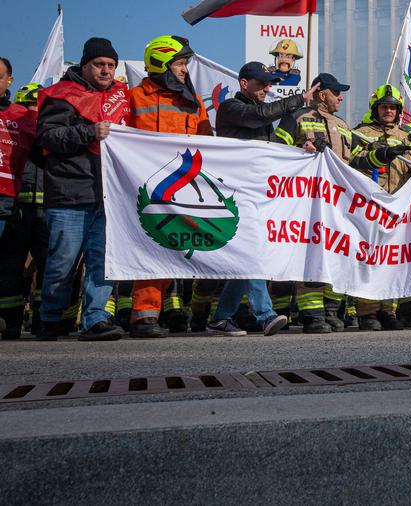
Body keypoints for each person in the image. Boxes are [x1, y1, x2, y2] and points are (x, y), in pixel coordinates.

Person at [203, 62, 318, 336]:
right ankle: (265, 315)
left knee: (248, 257)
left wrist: (299, 151)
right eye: (262, 83)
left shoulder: (258, 114)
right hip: (235, 193)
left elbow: (268, 150)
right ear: (244, 83)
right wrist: (298, 100)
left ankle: (220, 318)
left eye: (269, 84)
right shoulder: (231, 108)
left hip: (256, 192)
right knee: (253, 253)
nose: (267, 88)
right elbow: (259, 116)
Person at [35, 38, 129, 341]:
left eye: (111, 65)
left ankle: (95, 319)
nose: (106, 70)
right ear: (84, 65)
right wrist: (90, 131)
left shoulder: (121, 97)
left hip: (108, 196)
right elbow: (48, 138)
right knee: (62, 263)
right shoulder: (61, 96)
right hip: (69, 194)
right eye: (99, 64)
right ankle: (50, 318)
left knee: (102, 262)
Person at [126, 36, 214, 338]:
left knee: (178, 250)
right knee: (152, 249)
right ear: (162, 63)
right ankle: (144, 316)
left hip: (184, 191)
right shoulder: (134, 97)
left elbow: (208, 142)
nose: (184, 70)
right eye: (180, 63)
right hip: (144, 189)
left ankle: (174, 310)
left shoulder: (193, 100)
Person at [273, 72, 353, 334]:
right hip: (307, 203)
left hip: (338, 203)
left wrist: (383, 155)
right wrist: (301, 150)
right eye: (336, 92)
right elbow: (274, 151)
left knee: (336, 256)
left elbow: (357, 161)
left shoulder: (342, 125)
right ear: (322, 95)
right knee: (311, 256)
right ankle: (312, 314)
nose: (340, 97)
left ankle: (330, 311)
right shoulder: (296, 118)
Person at [348, 84, 411, 330]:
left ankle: (388, 310)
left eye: (393, 107)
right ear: (376, 108)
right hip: (369, 206)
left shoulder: (405, 137)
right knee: (369, 258)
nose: (389, 111)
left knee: (392, 259)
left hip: (396, 207)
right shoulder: (359, 133)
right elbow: (350, 163)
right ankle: (368, 312)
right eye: (384, 106)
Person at [0, 68, 38, 338]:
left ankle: (11, 322)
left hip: (12, 200)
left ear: (9, 79)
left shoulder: (19, 117)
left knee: (11, 267)